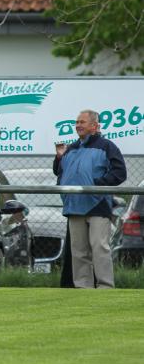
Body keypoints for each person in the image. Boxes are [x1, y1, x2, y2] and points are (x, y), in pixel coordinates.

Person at [54, 109, 126, 289]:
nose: (78, 125)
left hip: (97, 205)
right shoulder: (71, 148)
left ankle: (105, 287)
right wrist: (59, 158)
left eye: (82, 122)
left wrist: (97, 184)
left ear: (94, 126)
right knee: (78, 252)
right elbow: (59, 171)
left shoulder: (107, 146)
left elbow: (120, 173)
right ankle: (82, 289)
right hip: (73, 205)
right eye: (77, 122)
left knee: (100, 248)